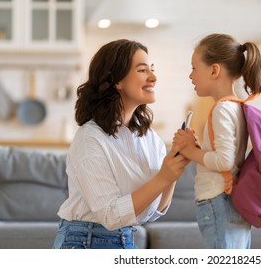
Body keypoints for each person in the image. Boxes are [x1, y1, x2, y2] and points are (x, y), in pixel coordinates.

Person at [52, 39, 189, 249]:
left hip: (125, 239)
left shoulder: (150, 139)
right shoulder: (90, 138)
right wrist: (163, 176)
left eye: (152, 69)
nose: (153, 77)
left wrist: (173, 172)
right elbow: (110, 216)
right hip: (85, 242)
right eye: (143, 70)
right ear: (117, 81)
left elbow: (153, 212)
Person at [173, 33, 261, 249]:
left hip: (219, 201)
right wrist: (198, 148)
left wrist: (190, 151)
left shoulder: (222, 110)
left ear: (214, 70)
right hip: (230, 201)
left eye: (194, 68)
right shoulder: (238, 106)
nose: (190, 76)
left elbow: (225, 161)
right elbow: (228, 157)